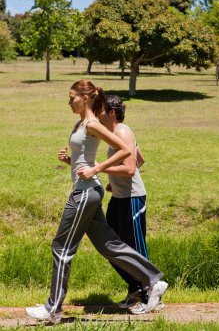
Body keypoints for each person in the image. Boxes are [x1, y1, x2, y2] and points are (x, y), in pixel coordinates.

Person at [26, 80, 167, 323]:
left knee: (61, 247)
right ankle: (153, 279)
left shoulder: (92, 123)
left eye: (72, 97)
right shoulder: (81, 123)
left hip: (85, 192)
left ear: (86, 98)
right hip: (86, 189)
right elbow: (84, 159)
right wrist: (71, 162)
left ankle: (52, 308)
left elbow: (124, 149)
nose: (69, 102)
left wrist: (97, 169)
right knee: (108, 245)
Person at [99, 95, 164, 314]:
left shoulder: (123, 132)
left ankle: (152, 295)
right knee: (112, 246)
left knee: (135, 247)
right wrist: (113, 183)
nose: (97, 115)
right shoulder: (116, 135)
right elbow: (140, 160)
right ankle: (136, 289)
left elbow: (129, 169)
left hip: (132, 198)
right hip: (119, 196)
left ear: (112, 113)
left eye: (100, 111)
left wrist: (100, 168)